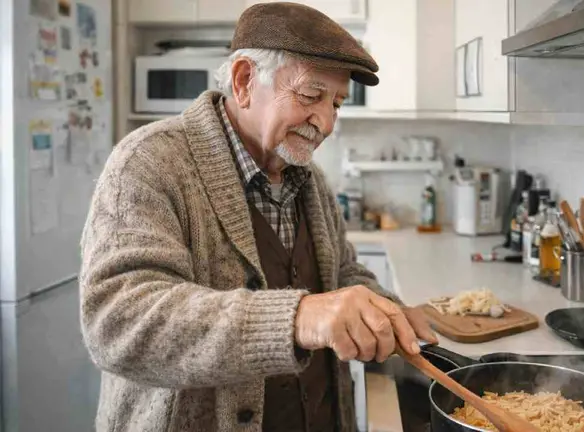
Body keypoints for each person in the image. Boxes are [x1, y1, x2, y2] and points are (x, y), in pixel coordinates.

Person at [78, 3, 438, 431]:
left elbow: (341, 273)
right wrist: (298, 317)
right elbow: (117, 324)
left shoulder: (309, 178)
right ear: (245, 80)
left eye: (337, 104)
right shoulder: (149, 163)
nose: (325, 123)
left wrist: (384, 308)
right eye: (310, 95)